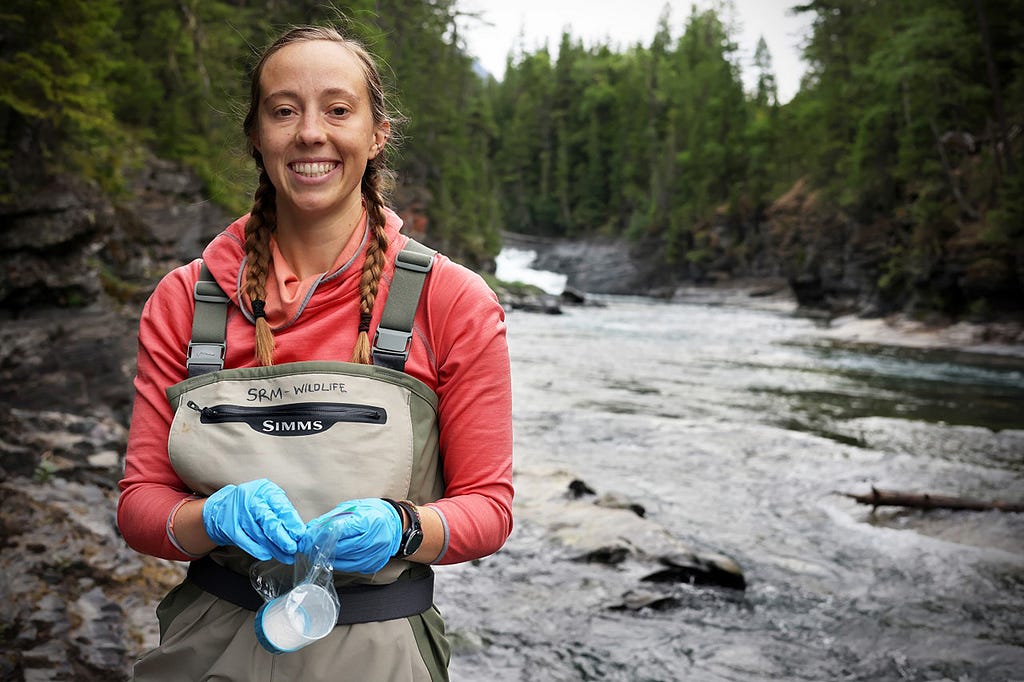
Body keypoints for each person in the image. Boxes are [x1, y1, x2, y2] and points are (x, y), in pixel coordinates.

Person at [117, 25, 514, 681]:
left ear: (377, 132)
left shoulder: (452, 300)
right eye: (283, 110)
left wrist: (404, 528)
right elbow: (138, 509)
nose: (309, 133)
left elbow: (489, 509)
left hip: (382, 653)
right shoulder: (183, 300)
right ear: (256, 134)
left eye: (337, 109)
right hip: (207, 643)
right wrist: (212, 518)